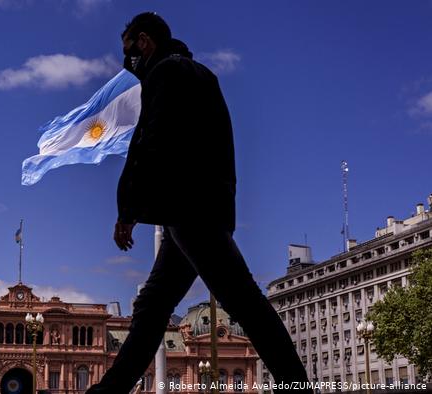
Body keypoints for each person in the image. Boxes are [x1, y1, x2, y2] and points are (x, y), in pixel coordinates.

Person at [86, 12, 311, 394]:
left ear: (144, 42)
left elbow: (150, 143)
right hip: (207, 205)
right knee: (153, 307)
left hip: (189, 207)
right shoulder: (204, 75)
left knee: (244, 303)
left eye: (129, 52)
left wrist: (129, 209)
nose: (128, 64)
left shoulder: (164, 75)